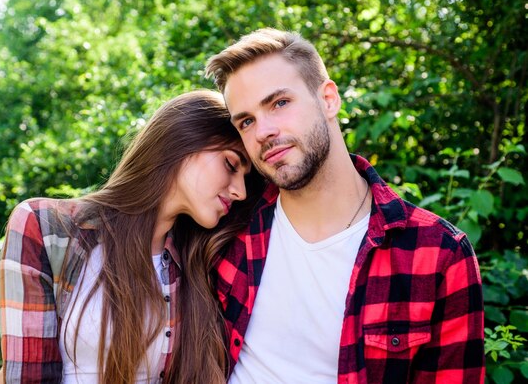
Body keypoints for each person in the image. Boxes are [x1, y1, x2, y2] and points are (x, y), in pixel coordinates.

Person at [204, 29, 485, 383]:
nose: (263, 132)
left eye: (279, 103)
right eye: (247, 121)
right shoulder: (229, 230)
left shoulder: (437, 254)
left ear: (328, 99)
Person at [0, 90, 265, 383]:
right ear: (182, 140)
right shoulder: (45, 227)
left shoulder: (198, 264)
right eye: (230, 165)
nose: (241, 191)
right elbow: (27, 376)